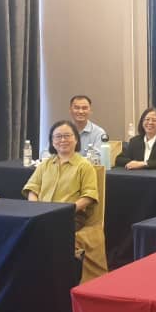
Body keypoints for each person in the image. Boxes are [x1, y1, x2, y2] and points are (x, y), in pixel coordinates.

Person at [23, 120, 105, 280]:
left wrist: (64, 212)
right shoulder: (45, 164)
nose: (62, 140)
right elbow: (32, 189)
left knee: (47, 237)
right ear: (52, 141)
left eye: (67, 136)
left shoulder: (84, 166)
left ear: (76, 139)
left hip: (70, 217)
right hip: (42, 215)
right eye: (58, 136)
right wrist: (36, 210)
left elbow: (88, 196)